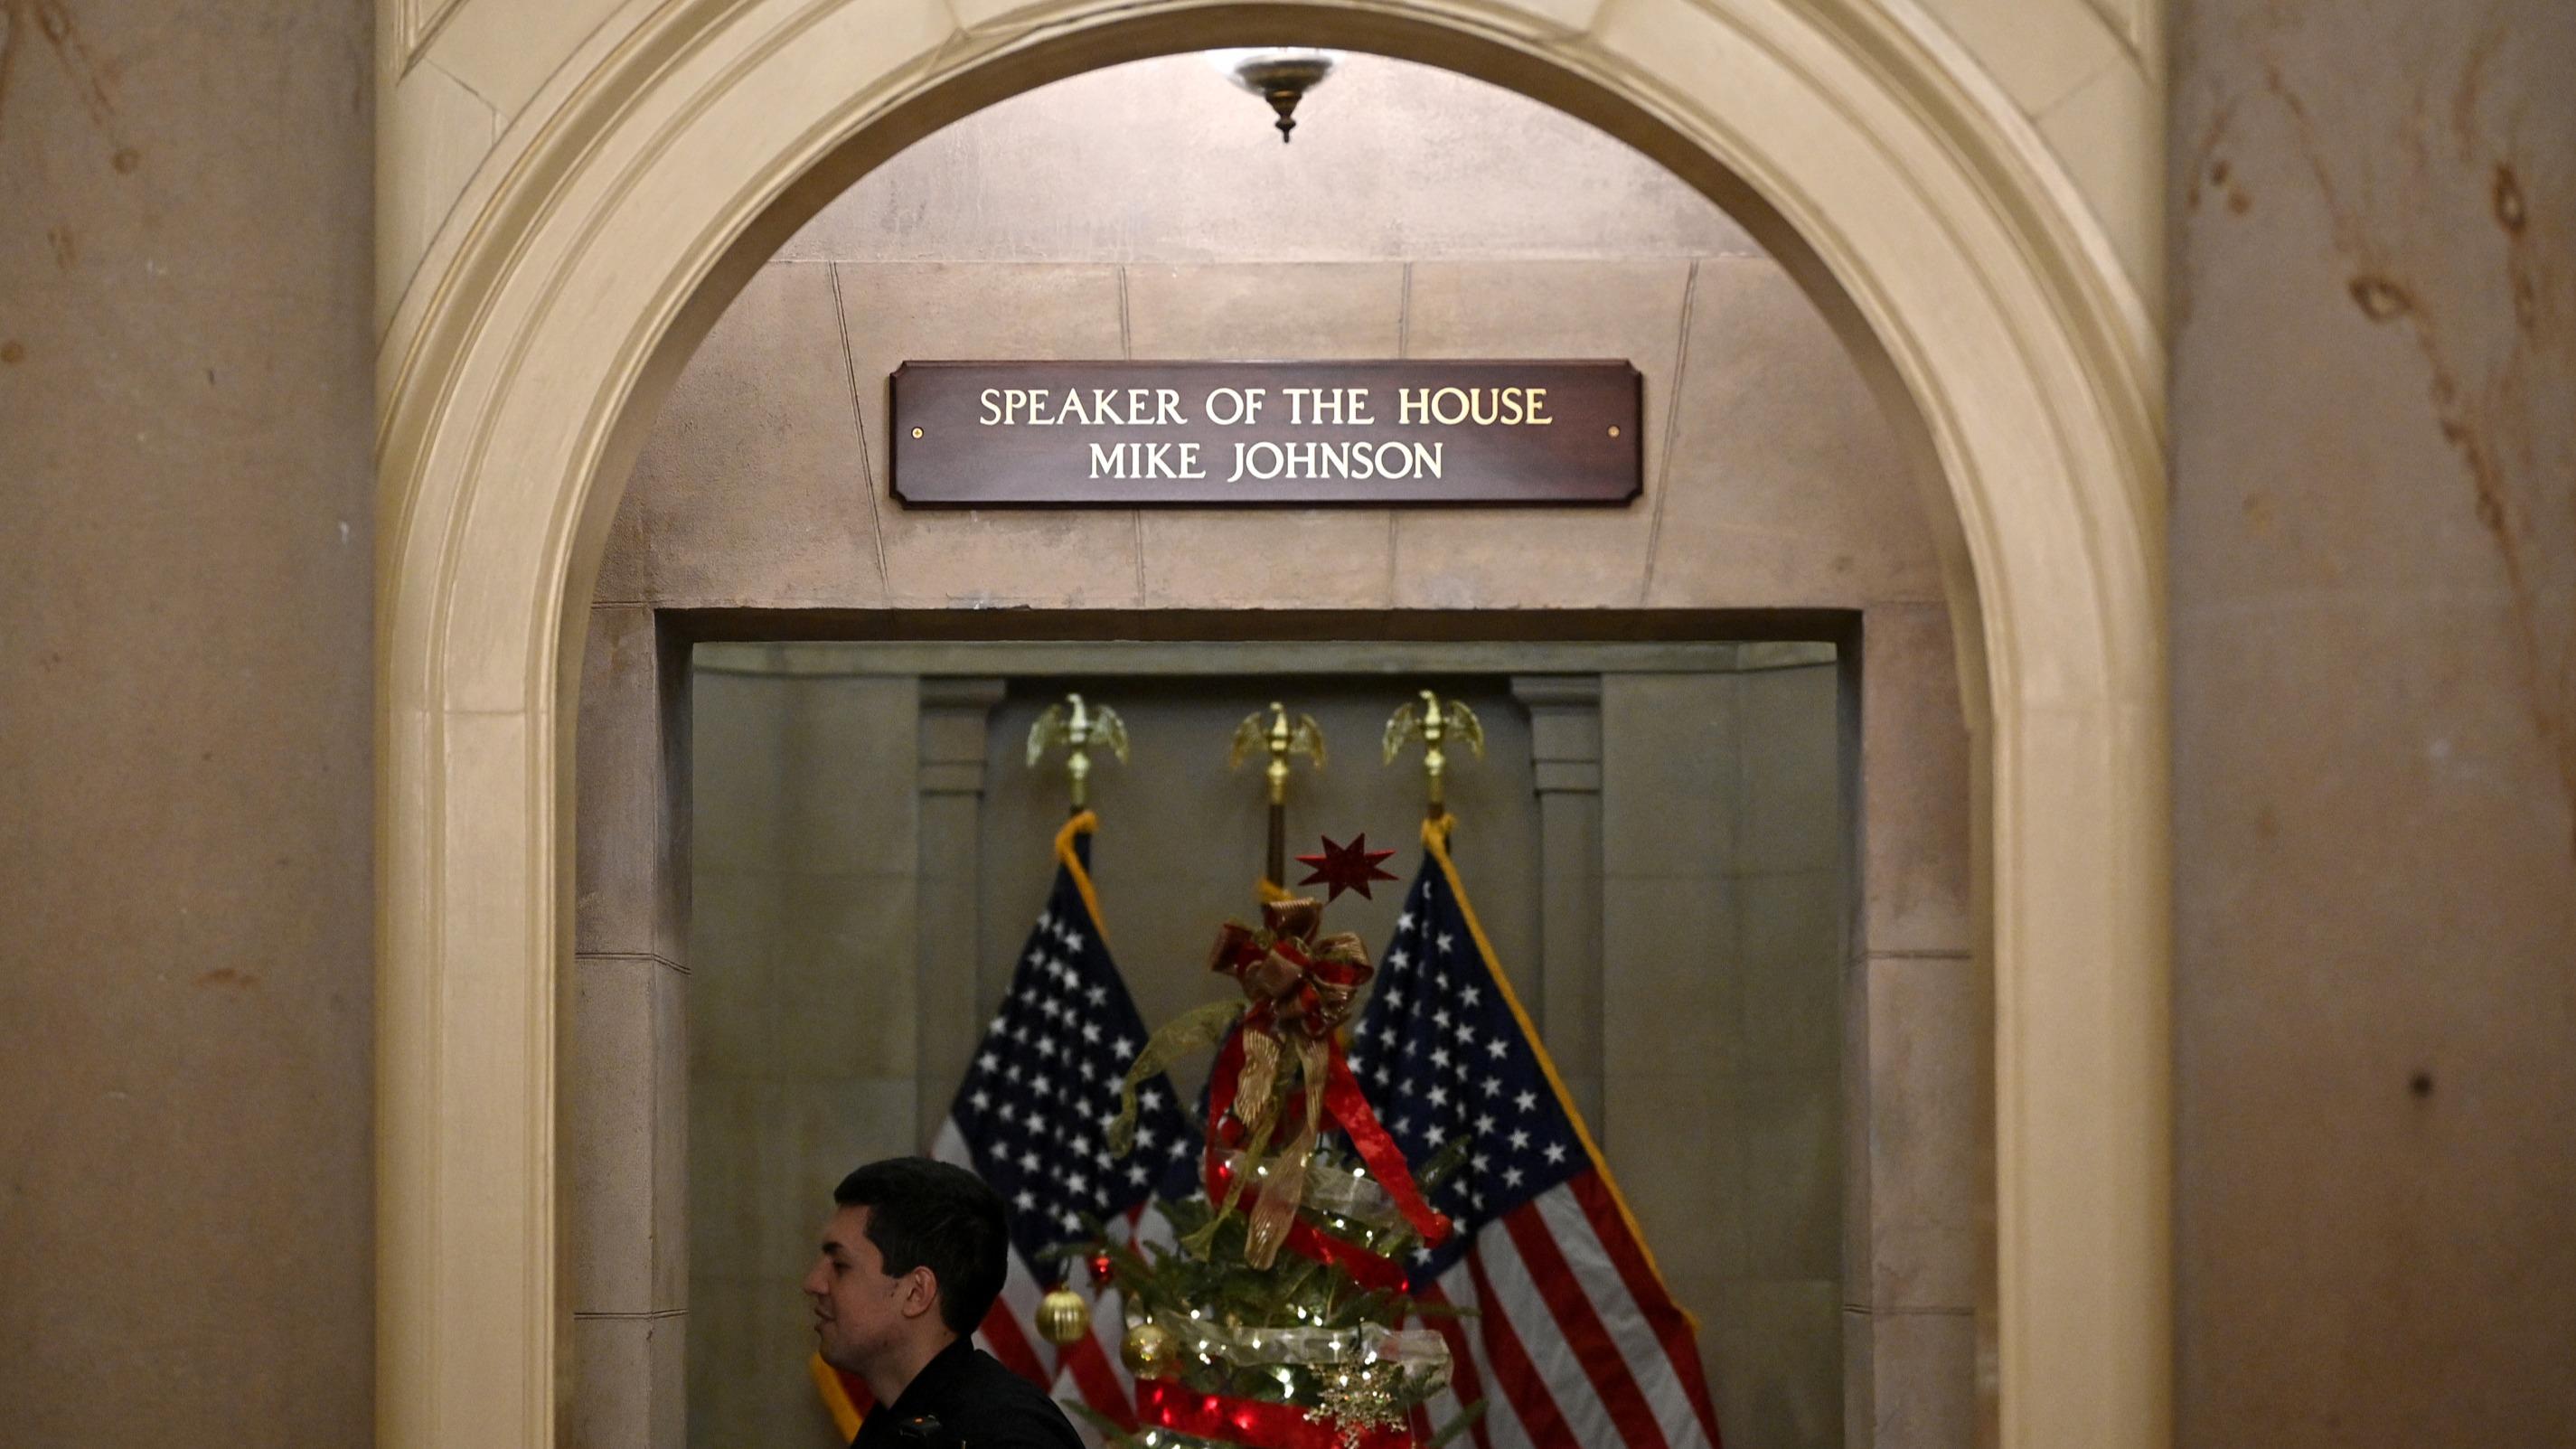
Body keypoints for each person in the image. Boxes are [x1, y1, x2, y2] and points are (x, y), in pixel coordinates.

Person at [804, 1157, 1086, 1449]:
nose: (813, 1283)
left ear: (916, 1293)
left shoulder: (1012, 1437)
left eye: (839, 1265)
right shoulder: (895, 1424)